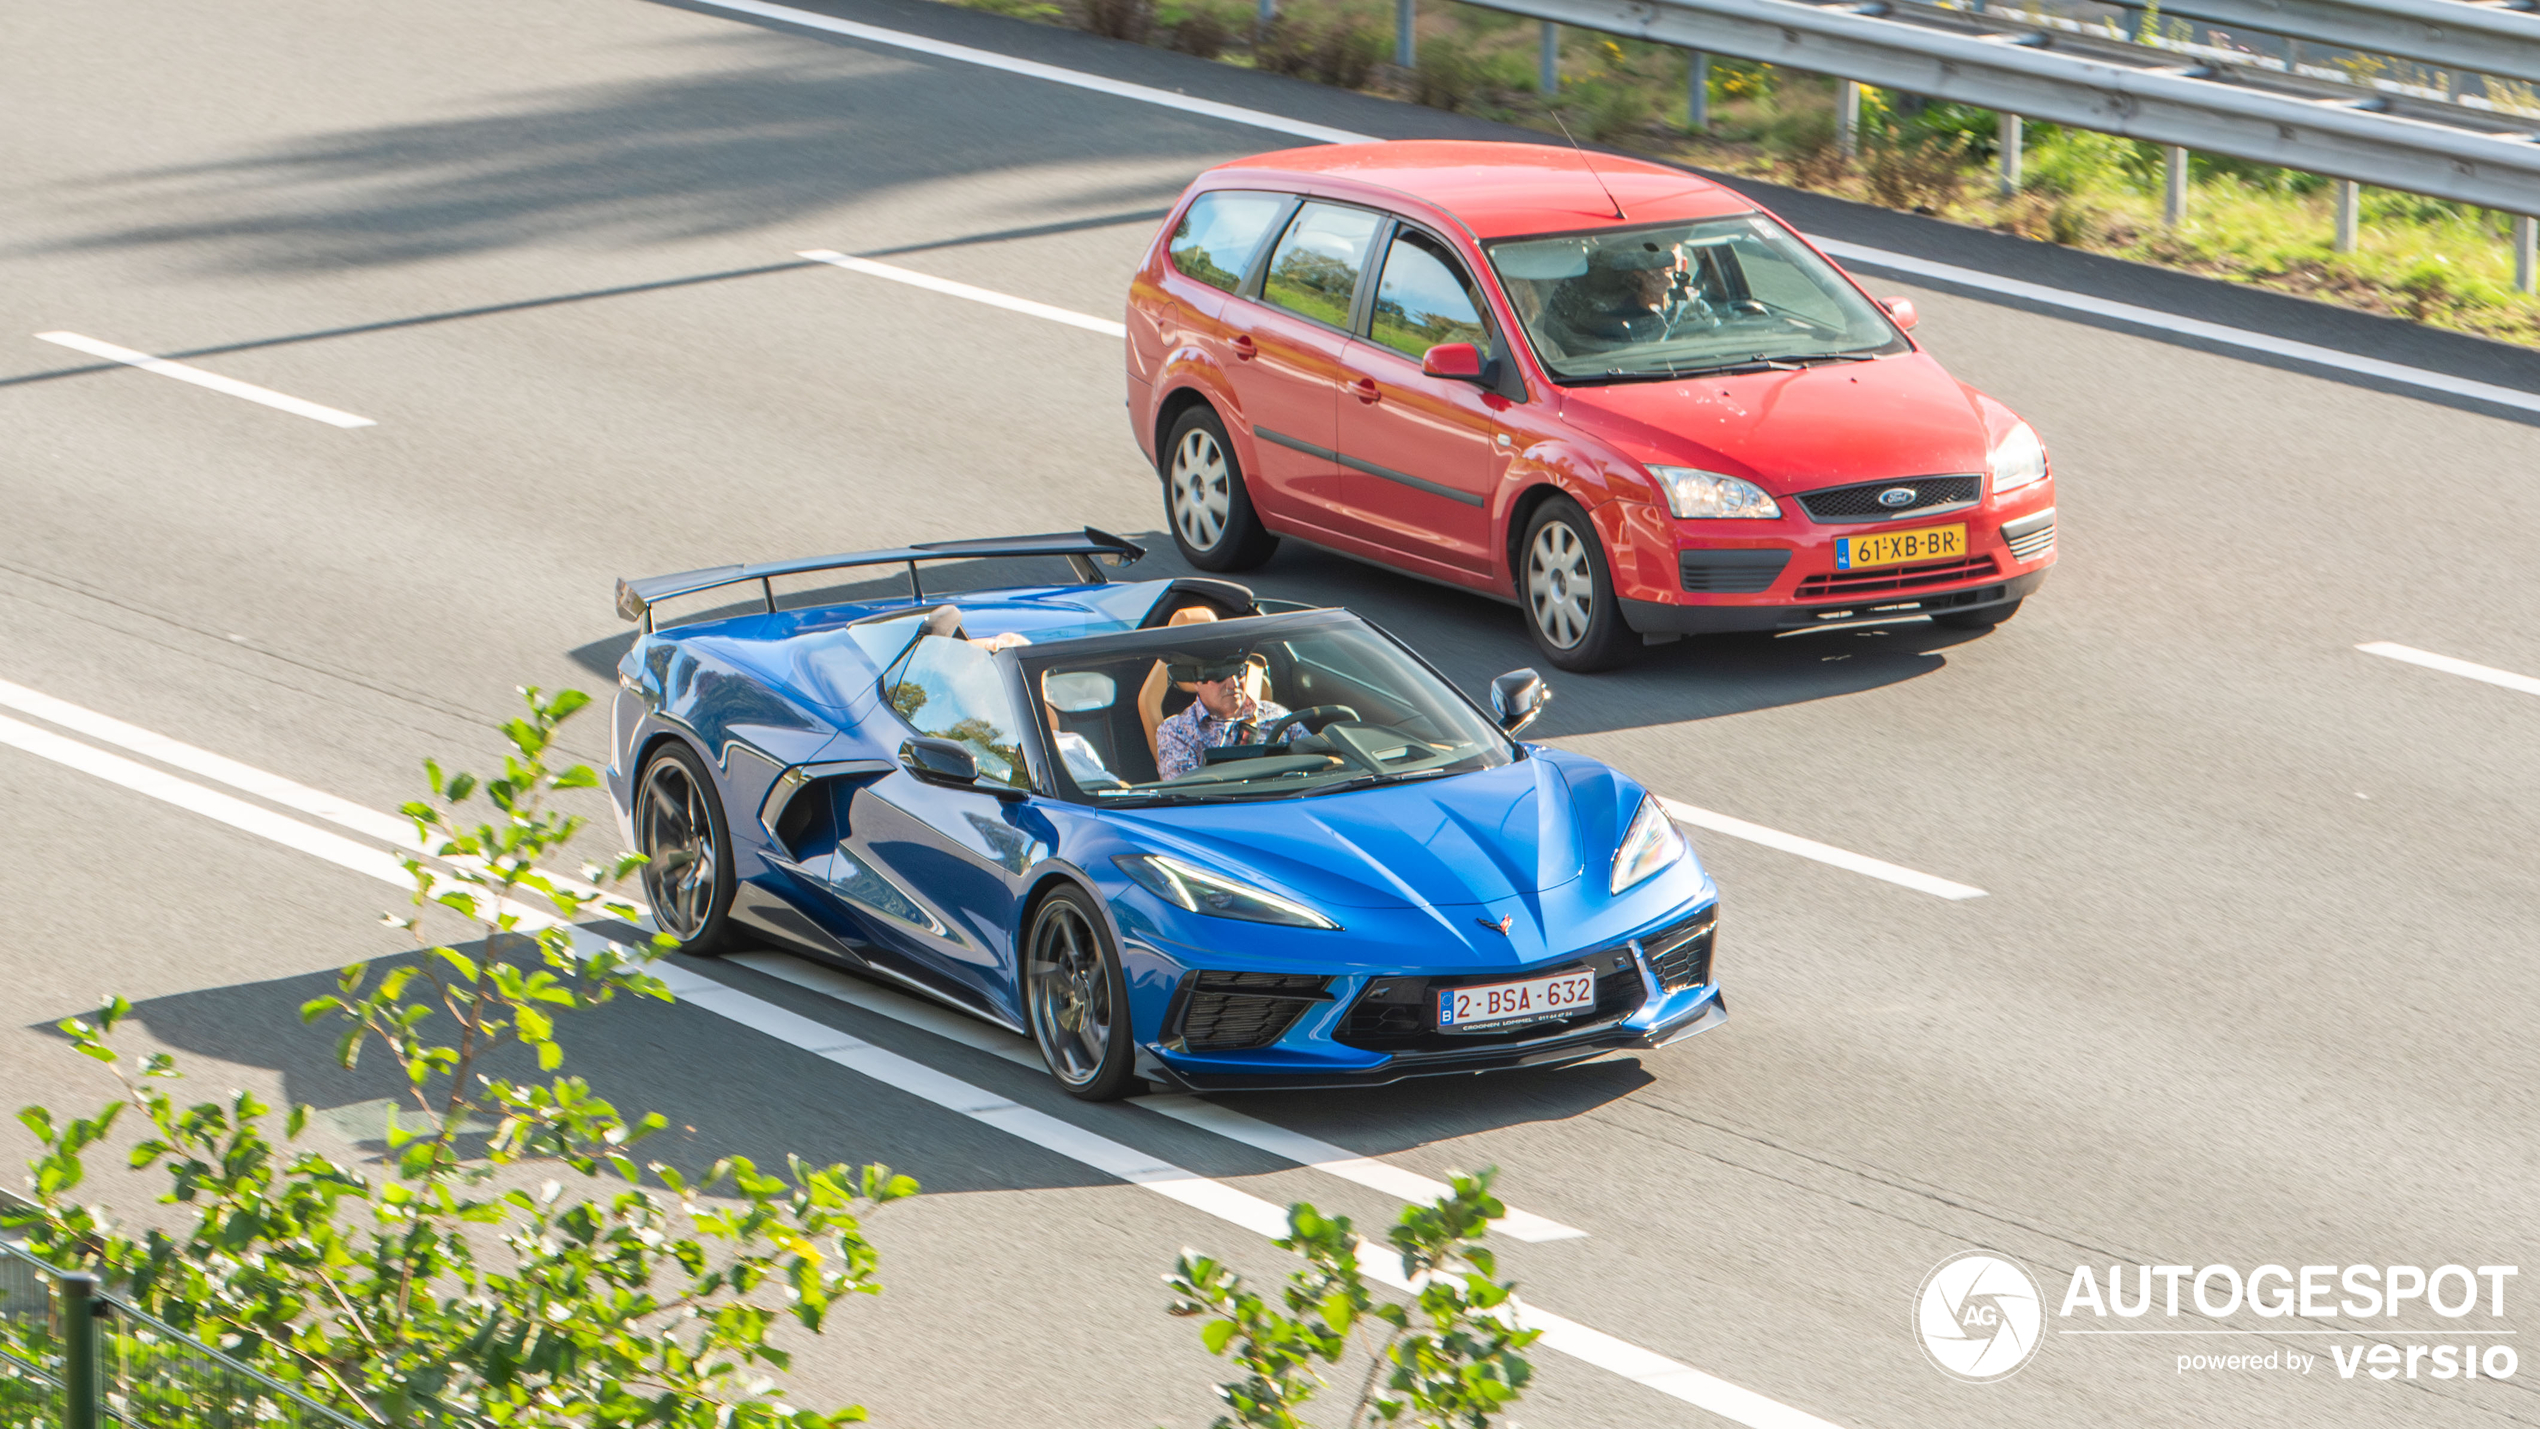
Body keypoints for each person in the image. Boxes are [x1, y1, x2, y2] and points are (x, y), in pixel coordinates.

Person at [1153, 653, 1298, 780]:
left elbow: (1315, 759)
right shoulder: (1176, 731)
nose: (1233, 684)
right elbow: (1187, 796)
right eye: (1219, 676)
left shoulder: (1277, 715)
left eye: (1239, 672)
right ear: (1196, 681)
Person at [1538, 242, 1695, 355]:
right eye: (1655, 266)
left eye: (1670, 266)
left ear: (1684, 265)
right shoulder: (1606, 318)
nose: (1665, 276)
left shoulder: (1695, 310)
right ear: (1638, 271)